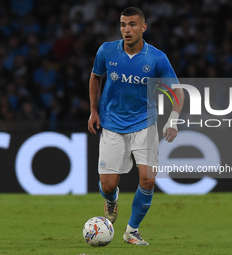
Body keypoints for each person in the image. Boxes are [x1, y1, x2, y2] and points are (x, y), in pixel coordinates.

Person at [88, 7, 184, 245]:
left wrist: (173, 120)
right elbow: (94, 77)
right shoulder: (106, 50)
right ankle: (112, 199)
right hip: (112, 124)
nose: (126, 30)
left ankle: (131, 231)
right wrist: (93, 111)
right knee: (108, 185)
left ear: (143, 27)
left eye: (132, 24)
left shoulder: (157, 58)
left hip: (144, 124)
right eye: (123, 25)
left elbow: (177, 91)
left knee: (148, 180)